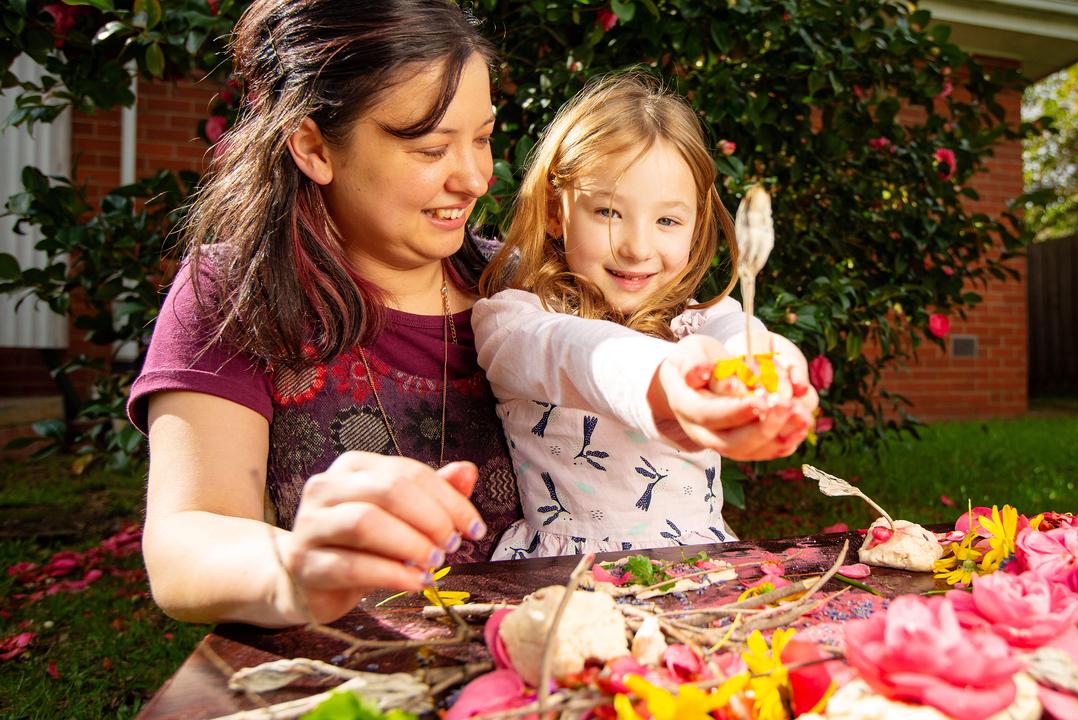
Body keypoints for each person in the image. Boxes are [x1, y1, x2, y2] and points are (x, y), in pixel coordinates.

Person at [131, 1, 804, 628]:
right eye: (429, 149)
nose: (475, 179)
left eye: (481, 138)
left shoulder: (520, 280)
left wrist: (703, 384)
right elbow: (186, 542)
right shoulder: (234, 291)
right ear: (314, 147)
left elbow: (595, 351)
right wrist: (294, 569)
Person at [474, 74, 816, 560]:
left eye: (667, 221)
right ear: (556, 211)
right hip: (566, 576)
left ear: (696, 226)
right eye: (609, 212)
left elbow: (751, 343)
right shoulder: (516, 321)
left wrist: (781, 382)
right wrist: (669, 378)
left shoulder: (700, 319)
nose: (637, 247)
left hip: (702, 564)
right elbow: (580, 355)